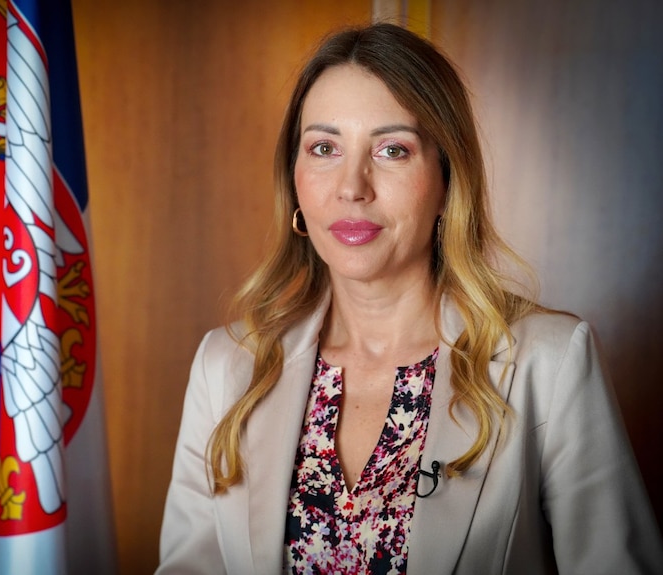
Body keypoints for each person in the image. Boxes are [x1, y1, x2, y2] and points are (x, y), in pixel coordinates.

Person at [156, 22, 663, 574]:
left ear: (447, 180)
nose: (352, 186)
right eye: (324, 147)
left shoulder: (549, 361)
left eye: (393, 150)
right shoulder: (226, 366)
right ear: (294, 178)